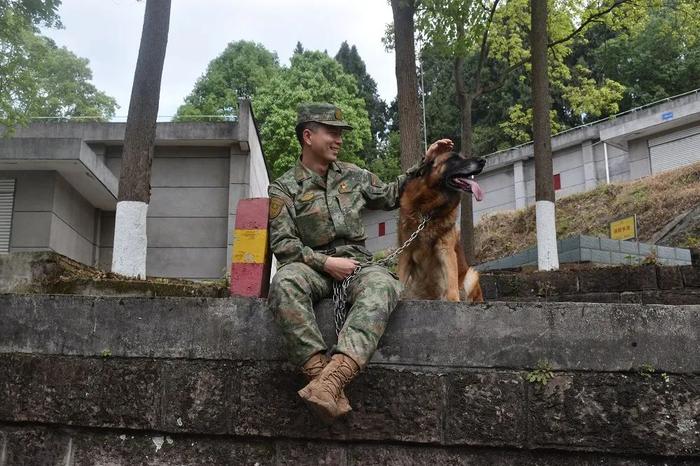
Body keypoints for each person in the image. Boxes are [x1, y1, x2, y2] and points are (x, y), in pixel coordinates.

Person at [267, 102, 452, 423]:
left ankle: (330, 383)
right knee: (284, 282)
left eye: (341, 134)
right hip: (312, 268)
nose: (339, 140)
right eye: (332, 133)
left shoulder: (354, 175)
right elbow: (283, 245)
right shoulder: (284, 188)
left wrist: (426, 163)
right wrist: (326, 263)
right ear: (308, 136)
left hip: (357, 266)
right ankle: (325, 380)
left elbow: (394, 194)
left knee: (384, 284)